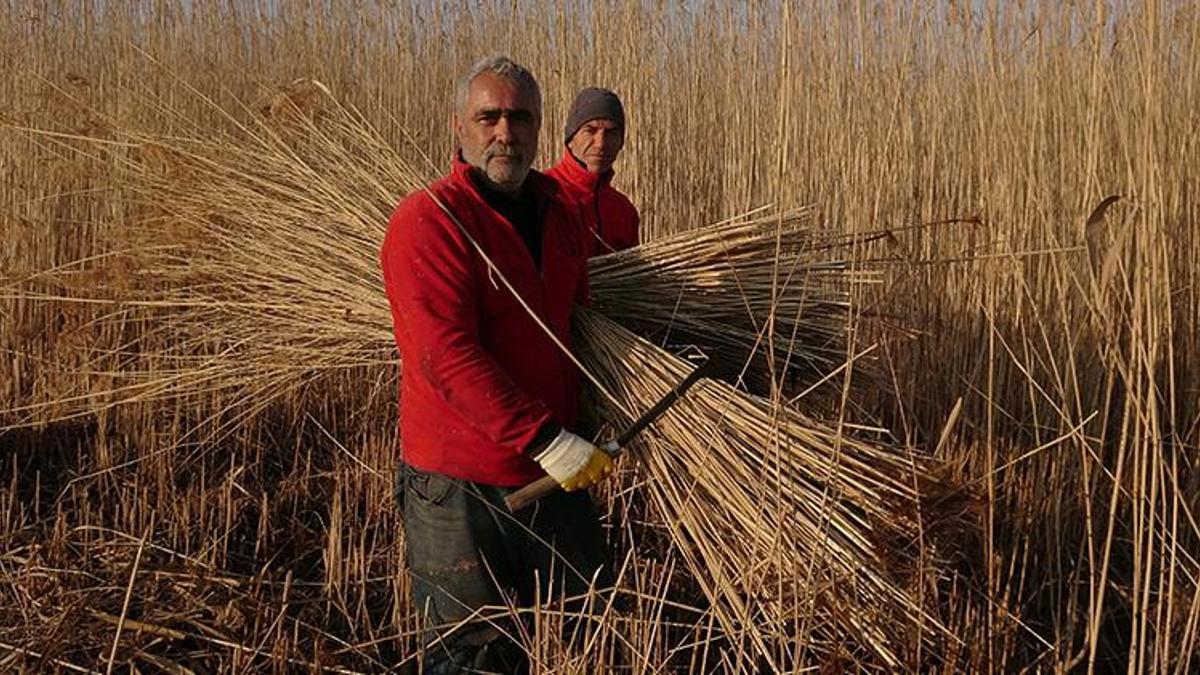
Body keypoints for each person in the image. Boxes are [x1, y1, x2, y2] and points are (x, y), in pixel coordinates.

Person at [379, 56, 616, 674]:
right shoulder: (429, 222)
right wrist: (543, 438)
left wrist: (597, 412)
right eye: (489, 117)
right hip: (460, 483)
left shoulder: (560, 214)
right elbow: (443, 356)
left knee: (586, 632)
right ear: (460, 125)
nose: (505, 133)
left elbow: (578, 324)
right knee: (472, 657)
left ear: (541, 129)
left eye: (520, 117)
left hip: (555, 466)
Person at [546, 87, 640, 255]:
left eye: (611, 133)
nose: (601, 144)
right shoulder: (541, 195)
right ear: (570, 138)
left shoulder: (624, 211)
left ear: (621, 143)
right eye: (590, 130)